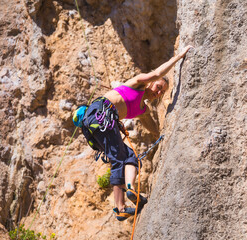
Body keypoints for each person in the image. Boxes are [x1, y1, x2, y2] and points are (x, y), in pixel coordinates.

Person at [82, 45, 193, 221]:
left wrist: (163, 137)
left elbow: (153, 128)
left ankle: (131, 188)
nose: (158, 92)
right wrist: (178, 57)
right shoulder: (139, 83)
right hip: (100, 113)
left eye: (161, 92)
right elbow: (155, 74)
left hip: (102, 122)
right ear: (150, 82)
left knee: (131, 157)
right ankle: (120, 208)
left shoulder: (143, 110)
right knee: (118, 159)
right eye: (158, 87)